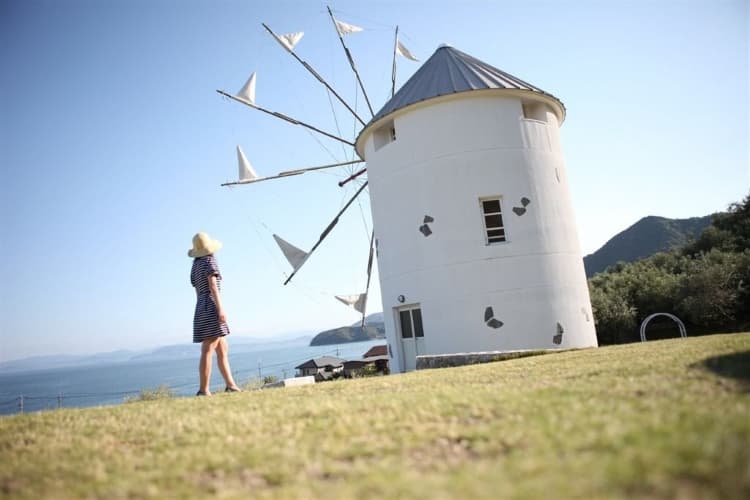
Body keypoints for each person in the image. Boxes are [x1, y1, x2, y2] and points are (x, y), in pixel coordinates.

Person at [188, 232, 241, 396]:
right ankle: (203, 390)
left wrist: (202, 309)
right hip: (211, 304)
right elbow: (213, 286)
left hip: (201, 306)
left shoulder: (195, 265)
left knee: (222, 347)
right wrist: (220, 309)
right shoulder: (209, 261)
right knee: (208, 349)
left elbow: (197, 290)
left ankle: (231, 385)